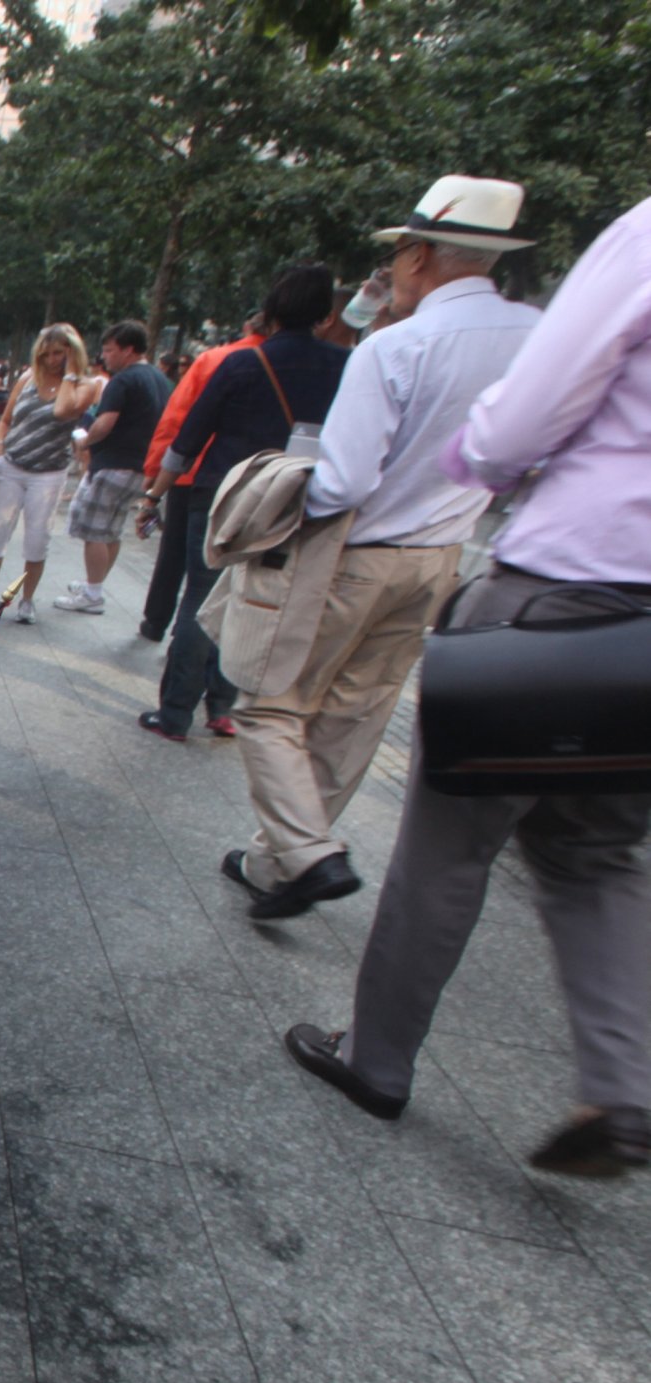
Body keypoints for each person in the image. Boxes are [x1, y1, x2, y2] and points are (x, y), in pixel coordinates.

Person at [284, 190, 651, 1176]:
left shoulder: (639, 242)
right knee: (598, 853)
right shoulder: (518, 319)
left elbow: (506, 435)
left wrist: (478, 453)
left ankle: (376, 1057)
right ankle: (625, 1087)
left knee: (448, 845)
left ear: (413, 258)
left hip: (566, 583)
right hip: (597, 618)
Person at [223, 178, 543, 919]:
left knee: (270, 701)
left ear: (419, 255)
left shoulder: (399, 346)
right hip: (442, 555)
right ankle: (280, 862)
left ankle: (305, 854)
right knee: (355, 712)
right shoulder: (538, 336)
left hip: (355, 551)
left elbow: (341, 483)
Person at [139, 268, 349, 740]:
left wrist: (153, 494)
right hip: (295, 499)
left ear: (270, 311)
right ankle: (224, 707)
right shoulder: (346, 364)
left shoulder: (241, 363)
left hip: (225, 494)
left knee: (201, 595)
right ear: (326, 313)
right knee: (257, 600)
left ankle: (175, 713)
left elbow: (187, 442)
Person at [137, 315, 267, 643]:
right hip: (256, 484)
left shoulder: (215, 359)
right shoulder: (298, 364)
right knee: (223, 571)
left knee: (175, 556)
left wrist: (154, 475)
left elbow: (176, 419)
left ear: (248, 327)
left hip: (190, 474)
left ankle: (156, 622)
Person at [0, 324, 104, 623]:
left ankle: (26, 600)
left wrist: (70, 373)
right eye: (46, 354)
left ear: (72, 352)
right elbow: (6, 420)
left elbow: (62, 412)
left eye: (59, 353)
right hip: (13, 466)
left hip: (48, 472)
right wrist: (1, 446)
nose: (51, 360)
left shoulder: (86, 384)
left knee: (37, 538)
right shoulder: (27, 378)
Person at [52, 322, 170, 615]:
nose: (104, 356)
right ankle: (95, 584)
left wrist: (85, 440)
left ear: (128, 350)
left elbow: (105, 423)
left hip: (113, 464)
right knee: (112, 529)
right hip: (141, 466)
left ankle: (92, 593)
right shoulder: (158, 378)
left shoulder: (124, 380)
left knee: (94, 529)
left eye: (109, 350)